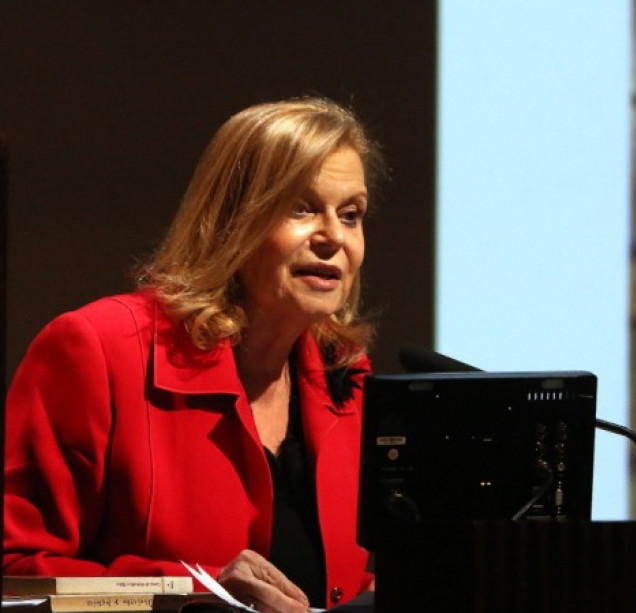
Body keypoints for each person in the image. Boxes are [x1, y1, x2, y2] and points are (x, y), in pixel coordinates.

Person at [4, 97, 384, 613]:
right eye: (300, 208)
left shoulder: (346, 376)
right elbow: (13, 572)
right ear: (232, 219)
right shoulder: (96, 350)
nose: (333, 237)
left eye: (351, 214)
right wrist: (197, 591)